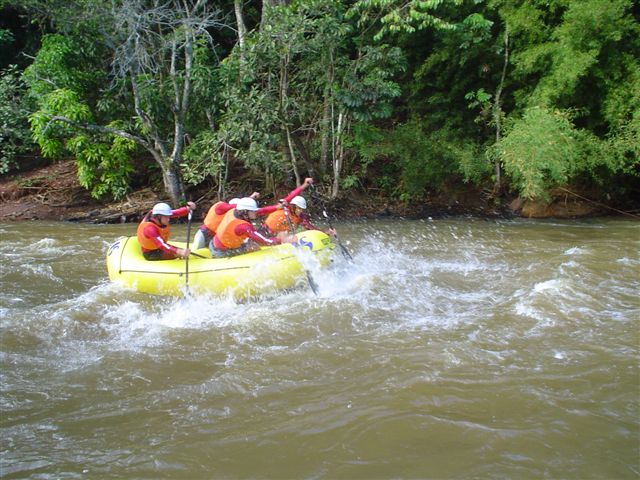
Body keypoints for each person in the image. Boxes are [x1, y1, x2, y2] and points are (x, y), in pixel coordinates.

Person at [210, 197, 296, 258]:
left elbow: (262, 211)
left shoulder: (235, 211)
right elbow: (265, 241)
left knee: (252, 245)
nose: (256, 213)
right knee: (254, 246)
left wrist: (277, 207)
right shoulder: (243, 226)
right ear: (245, 212)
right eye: (253, 211)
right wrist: (283, 240)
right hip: (221, 251)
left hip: (214, 243)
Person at [259, 180, 336, 237]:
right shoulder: (284, 208)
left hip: (278, 236)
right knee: (284, 234)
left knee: (285, 234)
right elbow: (292, 195)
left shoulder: (300, 217)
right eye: (299, 208)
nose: (300, 211)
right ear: (293, 206)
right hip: (264, 231)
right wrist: (304, 185)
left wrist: (325, 232)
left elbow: (310, 227)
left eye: (302, 209)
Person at [192, 192, 259, 250]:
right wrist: (251, 198)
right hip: (204, 234)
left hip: (214, 237)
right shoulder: (220, 206)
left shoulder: (233, 214)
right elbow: (240, 206)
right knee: (196, 251)